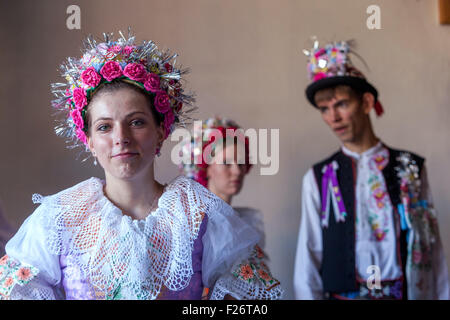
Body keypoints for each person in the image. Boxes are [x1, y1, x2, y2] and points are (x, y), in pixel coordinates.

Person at [0, 31, 261, 300]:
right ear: (89, 140)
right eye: (104, 127)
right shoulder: (59, 218)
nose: (121, 138)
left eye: (136, 122)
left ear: (160, 130)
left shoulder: (198, 214)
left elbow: (251, 298)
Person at [293, 39, 449, 300]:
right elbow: (309, 256)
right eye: (324, 109)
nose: (334, 117)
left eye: (341, 104)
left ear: (366, 103)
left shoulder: (409, 167)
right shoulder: (318, 177)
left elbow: (431, 249)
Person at [180, 117, 283, 299]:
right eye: (226, 163)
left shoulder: (245, 223)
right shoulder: (198, 226)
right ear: (206, 167)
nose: (237, 171)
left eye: (241, 163)